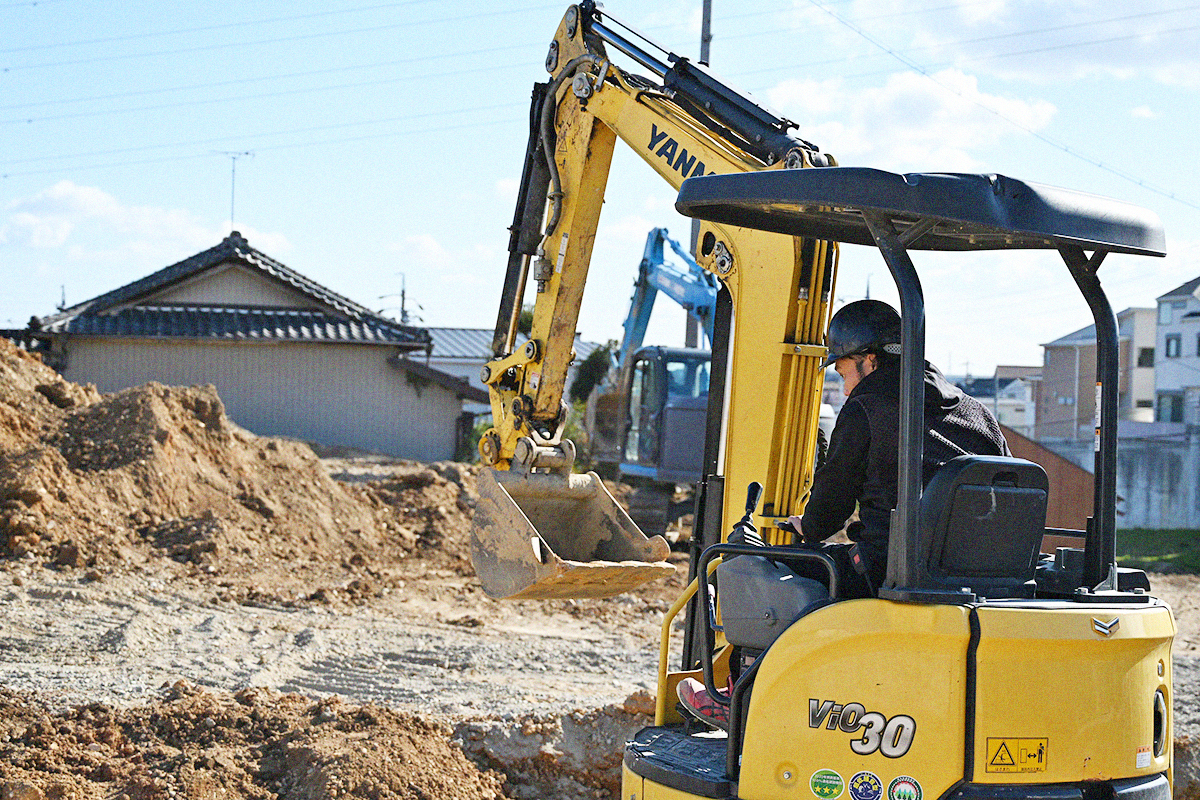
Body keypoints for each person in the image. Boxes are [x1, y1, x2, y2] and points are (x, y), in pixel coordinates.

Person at [676, 299, 1009, 730]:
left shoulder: (867, 405)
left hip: (891, 572)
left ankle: (743, 703)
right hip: (982, 580)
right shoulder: (977, 413)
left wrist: (809, 526)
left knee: (774, 573)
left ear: (869, 360)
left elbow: (829, 511)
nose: (845, 387)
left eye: (842, 371)